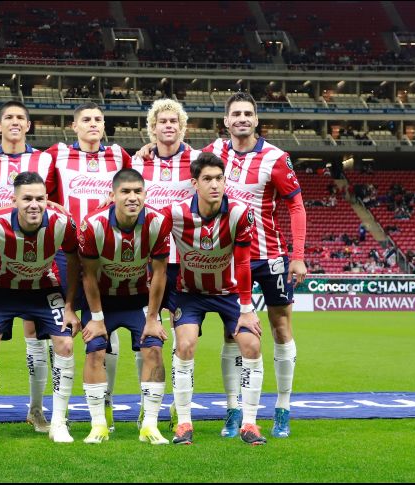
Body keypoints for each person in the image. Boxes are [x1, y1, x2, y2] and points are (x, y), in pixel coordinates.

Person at [203, 92, 306, 439]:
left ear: (256, 119)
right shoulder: (213, 153)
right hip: (228, 258)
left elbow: (296, 207)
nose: (242, 119)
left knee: (281, 327)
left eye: (248, 113)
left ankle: (283, 408)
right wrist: (145, 150)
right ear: (226, 120)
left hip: (269, 256)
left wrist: (298, 255)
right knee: (232, 332)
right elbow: (178, 161)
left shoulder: (276, 158)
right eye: (236, 114)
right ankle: (233, 409)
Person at [0, 171, 80, 444]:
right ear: (14, 200)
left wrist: (69, 306)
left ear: (47, 200)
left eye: (40, 199)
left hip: (44, 288)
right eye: (27, 199)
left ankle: (58, 422)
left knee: (65, 344)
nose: (34, 205)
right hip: (3, 288)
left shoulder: (62, 223)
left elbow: (74, 260)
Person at [164, 152, 266, 446]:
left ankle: (249, 423)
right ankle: (184, 423)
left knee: (252, 344)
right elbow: (151, 242)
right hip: (190, 293)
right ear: (194, 183)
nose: (214, 184)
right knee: (185, 345)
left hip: (229, 294)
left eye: (219, 178)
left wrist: (247, 308)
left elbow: (243, 262)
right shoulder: (175, 213)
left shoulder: (239, 213)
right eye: (207, 179)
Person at [0, 101, 57, 434]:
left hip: (35, 261)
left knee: (37, 337)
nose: (15, 122)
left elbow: (53, 203)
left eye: (21, 117)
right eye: (8, 117)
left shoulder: (45, 160)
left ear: (29, 125)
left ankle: (36, 410)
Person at [47, 102, 131, 431]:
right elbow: (32, 182)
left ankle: (106, 403)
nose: (93, 124)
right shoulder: (57, 154)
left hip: (107, 253)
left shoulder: (119, 155)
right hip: (66, 253)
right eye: (86, 119)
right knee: (63, 331)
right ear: (74, 126)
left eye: (98, 119)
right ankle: (61, 410)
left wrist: (148, 148)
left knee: (106, 327)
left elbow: (139, 180)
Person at [78, 168, 171, 444]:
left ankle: (150, 425)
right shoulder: (93, 224)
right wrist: (96, 318)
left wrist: (153, 318)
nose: (132, 197)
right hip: (102, 300)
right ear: (113, 195)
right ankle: (98, 425)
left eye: (138, 191)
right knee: (95, 351)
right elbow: (88, 275)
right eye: (125, 192)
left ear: (145, 194)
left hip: (138, 298)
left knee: (154, 347)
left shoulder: (157, 222)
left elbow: (160, 273)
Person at [130, 98, 200, 426]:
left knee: (183, 339)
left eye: (174, 121)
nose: (168, 126)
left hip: (185, 261)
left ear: (182, 127)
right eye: (163, 121)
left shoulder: (197, 160)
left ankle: (178, 403)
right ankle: (148, 402)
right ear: (153, 128)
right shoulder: (138, 162)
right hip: (146, 262)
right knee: (147, 335)